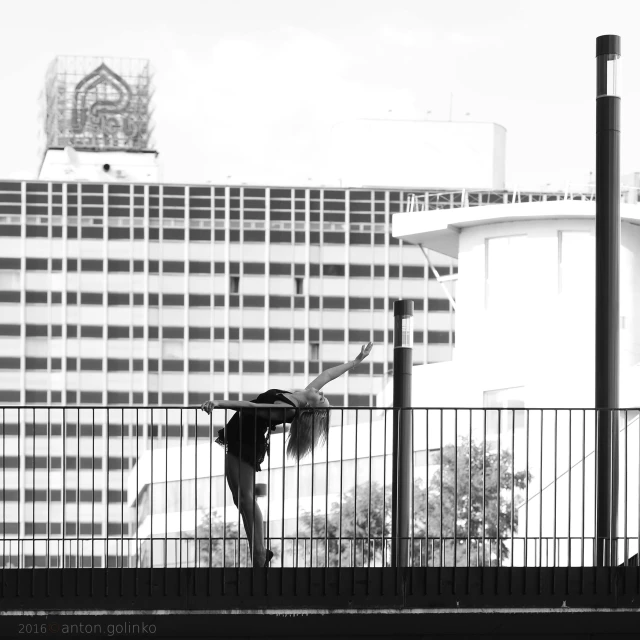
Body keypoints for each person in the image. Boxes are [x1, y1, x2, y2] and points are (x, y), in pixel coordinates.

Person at [200, 342, 373, 568]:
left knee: (246, 499)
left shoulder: (288, 408)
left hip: (246, 442)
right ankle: (259, 552)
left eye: (321, 398)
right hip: (239, 436)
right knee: (240, 500)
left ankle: (260, 555)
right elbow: (328, 375)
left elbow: (249, 407)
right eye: (323, 395)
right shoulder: (300, 396)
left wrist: (218, 402)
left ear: (310, 408)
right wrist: (357, 360)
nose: (320, 392)